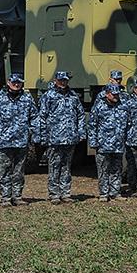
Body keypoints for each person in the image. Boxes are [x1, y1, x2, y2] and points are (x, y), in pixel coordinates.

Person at [0, 72, 38, 206]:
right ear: (8, 83)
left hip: (22, 141)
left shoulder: (27, 98)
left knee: (19, 171)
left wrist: (34, 134)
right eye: (14, 82)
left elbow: (34, 117)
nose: (16, 84)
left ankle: (17, 196)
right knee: (5, 170)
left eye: (19, 82)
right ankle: (5, 198)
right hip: (5, 141)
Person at [37, 70, 85, 204]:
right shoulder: (48, 96)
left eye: (65, 80)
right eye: (61, 80)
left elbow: (80, 115)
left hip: (70, 138)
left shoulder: (73, 96)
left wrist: (81, 132)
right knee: (54, 166)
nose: (63, 82)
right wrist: (43, 136)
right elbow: (42, 117)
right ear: (55, 81)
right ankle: (54, 194)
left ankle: (65, 193)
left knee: (66, 167)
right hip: (54, 138)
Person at [87, 83, 128, 202]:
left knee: (117, 169)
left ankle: (115, 192)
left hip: (118, 144)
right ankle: (104, 193)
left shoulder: (123, 106)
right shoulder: (99, 107)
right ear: (107, 94)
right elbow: (92, 125)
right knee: (103, 170)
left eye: (117, 94)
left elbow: (128, 124)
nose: (116, 96)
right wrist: (93, 142)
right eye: (113, 94)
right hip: (103, 144)